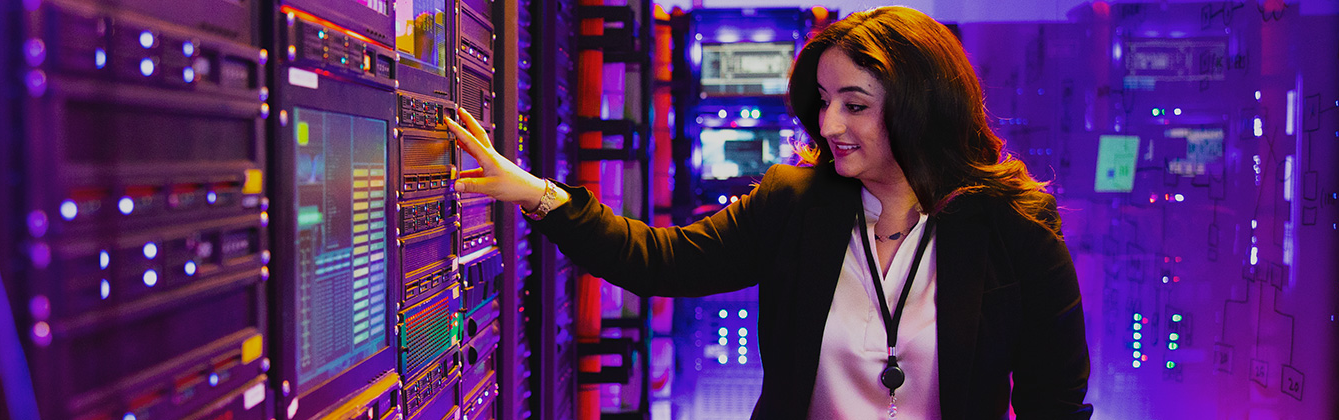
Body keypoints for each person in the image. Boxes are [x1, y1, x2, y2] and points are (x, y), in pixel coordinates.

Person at [443, 6, 1091, 420]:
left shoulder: (1016, 233)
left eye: (855, 104)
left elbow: (1053, 404)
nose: (829, 121)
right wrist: (535, 193)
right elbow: (659, 263)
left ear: (922, 107)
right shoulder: (794, 204)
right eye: (824, 99)